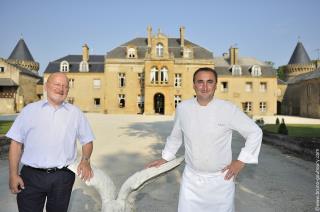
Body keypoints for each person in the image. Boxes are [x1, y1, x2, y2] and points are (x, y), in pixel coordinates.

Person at [146, 67, 262, 212]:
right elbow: (175, 138)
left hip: (221, 181)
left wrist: (241, 161)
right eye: (200, 82)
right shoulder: (183, 108)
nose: (205, 87)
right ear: (194, 85)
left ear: (216, 85)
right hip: (192, 181)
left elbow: (255, 132)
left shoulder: (228, 109)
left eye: (210, 82)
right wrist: (165, 158)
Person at [7, 72, 95, 212]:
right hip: (31, 177)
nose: (61, 88)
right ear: (46, 86)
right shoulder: (29, 111)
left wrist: (85, 160)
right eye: (57, 84)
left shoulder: (75, 113)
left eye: (65, 86)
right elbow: (16, 144)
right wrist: (13, 174)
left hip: (62, 177)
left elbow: (87, 141)